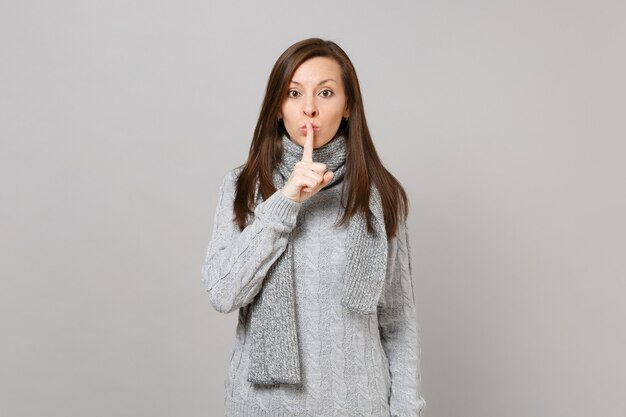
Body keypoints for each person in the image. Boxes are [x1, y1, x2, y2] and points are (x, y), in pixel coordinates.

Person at [201, 38, 426, 417]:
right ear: (277, 106)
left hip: (358, 405)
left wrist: (406, 411)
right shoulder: (244, 186)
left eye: (325, 92)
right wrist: (287, 199)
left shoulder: (379, 195)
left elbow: (398, 320)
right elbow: (223, 291)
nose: (309, 108)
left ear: (348, 105)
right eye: (293, 93)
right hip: (263, 406)